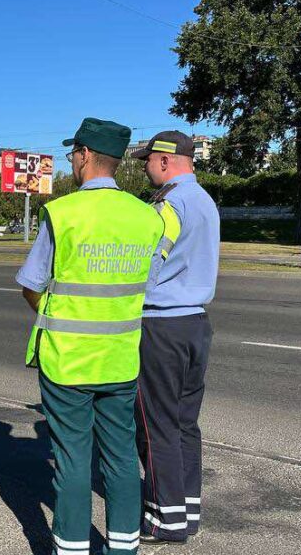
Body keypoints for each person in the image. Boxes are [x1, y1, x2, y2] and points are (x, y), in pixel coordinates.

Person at [16, 118, 168, 555]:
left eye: (71, 154)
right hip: (120, 359)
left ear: (83, 155)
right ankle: (123, 547)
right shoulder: (147, 217)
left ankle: (71, 547)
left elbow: (32, 283)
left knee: (73, 460)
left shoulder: (63, 213)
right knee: (120, 457)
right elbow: (147, 287)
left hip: (68, 361)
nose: (71, 160)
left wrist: (52, 314)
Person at [128, 131, 220, 545]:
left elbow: (148, 263)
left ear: (165, 161)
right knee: (185, 424)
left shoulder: (168, 205)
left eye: (148, 160)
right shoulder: (204, 200)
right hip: (195, 324)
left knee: (156, 426)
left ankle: (165, 520)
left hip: (161, 324)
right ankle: (187, 510)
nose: (145, 166)